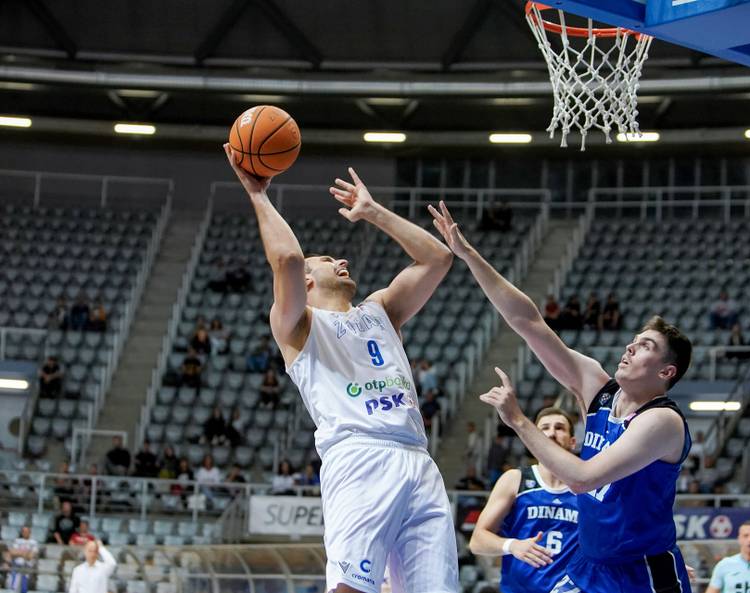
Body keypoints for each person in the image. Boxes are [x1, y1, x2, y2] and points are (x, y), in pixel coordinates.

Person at [224, 144, 458, 593]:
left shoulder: (381, 310)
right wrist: (257, 194)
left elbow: (438, 258)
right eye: (328, 259)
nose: (341, 260)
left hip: (418, 458)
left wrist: (373, 212)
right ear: (308, 281)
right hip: (359, 456)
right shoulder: (297, 324)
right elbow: (289, 259)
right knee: (352, 589)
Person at [429, 201, 694, 593]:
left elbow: (583, 479)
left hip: (641, 573)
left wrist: (519, 421)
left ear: (666, 372)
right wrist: (469, 255)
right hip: (592, 567)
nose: (630, 347)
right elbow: (528, 322)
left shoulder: (662, 421)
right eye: (634, 340)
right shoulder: (600, 391)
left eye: (646, 346)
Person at [469, 408, 580, 593]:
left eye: (560, 428)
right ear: (533, 440)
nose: (552, 433)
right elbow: (477, 541)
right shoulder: (515, 479)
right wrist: (512, 545)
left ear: (573, 442)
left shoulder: (587, 488)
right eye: (545, 428)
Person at [4, 526, 39, 593]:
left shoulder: (34, 542)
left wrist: (18, 552)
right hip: (16, 566)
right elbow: (12, 552)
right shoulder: (17, 541)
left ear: (30, 532)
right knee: (14, 587)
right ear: (22, 532)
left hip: (27, 567)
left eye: (27, 531)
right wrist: (26, 553)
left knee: (24, 589)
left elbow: (31, 556)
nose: (25, 533)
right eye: (23, 531)